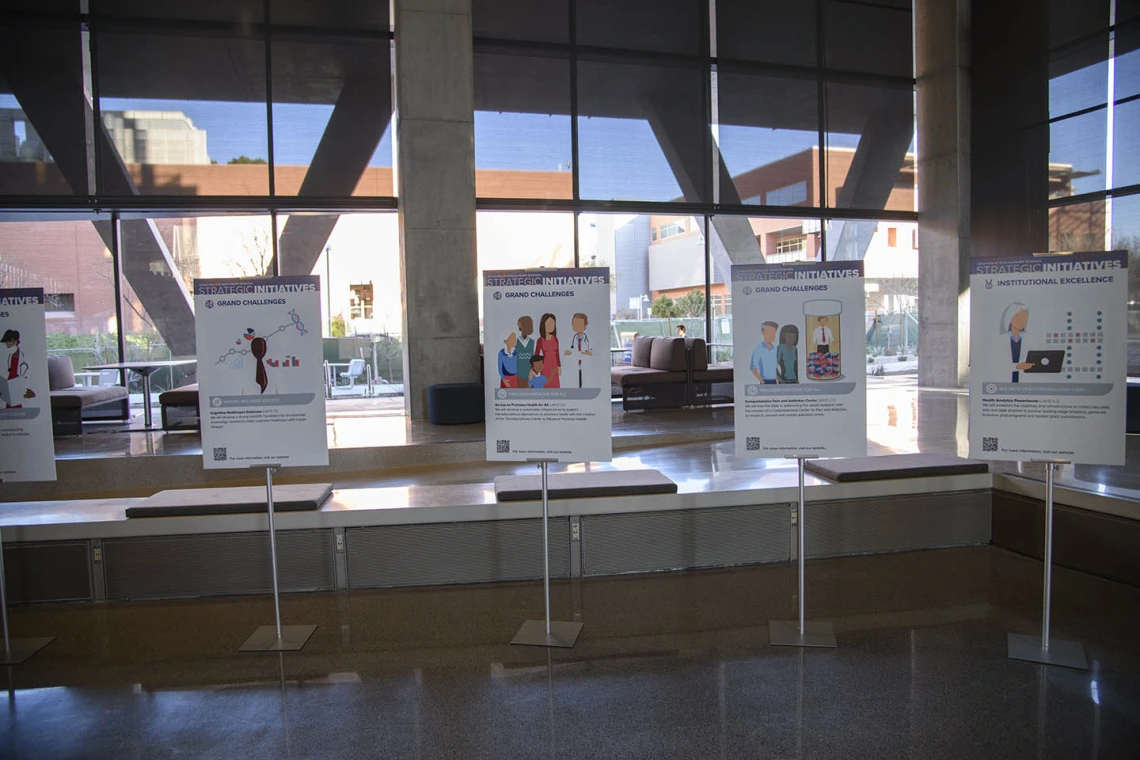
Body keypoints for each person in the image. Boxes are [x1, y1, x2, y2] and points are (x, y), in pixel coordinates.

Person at [1001, 302, 1034, 383]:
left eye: (1024, 317)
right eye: (1018, 317)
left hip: (1026, 386)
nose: (1022, 320)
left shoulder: (1031, 339)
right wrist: (1017, 367)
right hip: (1003, 386)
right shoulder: (999, 340)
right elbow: (996, 365)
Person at [1, 329, 33, 408]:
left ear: (13, 341)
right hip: (9, 385)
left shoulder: (23, 357)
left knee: (17, 407)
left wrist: (27, 389)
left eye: (7, 342)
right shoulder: (9, 356)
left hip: (18, 385)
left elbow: (26, 376)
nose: (6, 345)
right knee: (9, 408)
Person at [564, 312, 592, 388]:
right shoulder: (569, 340)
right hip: (573, 369)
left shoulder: (589, 340)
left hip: (586, 369)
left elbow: (590, 355)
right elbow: (566, 356)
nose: (577, 326)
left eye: (579, 324)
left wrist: (573, 353)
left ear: (585, 326)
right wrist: (583, 353)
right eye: (575, 324)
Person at [534, 312, 561, 388]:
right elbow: (536, 355)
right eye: (548, 323)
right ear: (543, 325)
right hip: (545, 367)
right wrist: (536, 369)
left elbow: (557, 353)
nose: (551, 326)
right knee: (546, 385)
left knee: (555, 386)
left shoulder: (555, 339)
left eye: (553, 324)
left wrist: (559, 366)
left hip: (554, 366)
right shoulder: (540, 340)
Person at [515, 316, 535, 382]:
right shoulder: (516, 342)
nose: (519, 327)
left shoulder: (532, 342)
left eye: (520, 325)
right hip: (518, 375)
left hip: (530, 375)